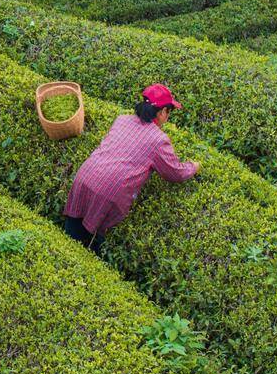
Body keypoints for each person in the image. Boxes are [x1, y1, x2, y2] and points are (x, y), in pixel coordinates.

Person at [63, 83, 199, 254]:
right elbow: (176, 173)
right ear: (163, 112)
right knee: (93, 248)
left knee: (68, 240)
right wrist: (194, 166)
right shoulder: (159, 140)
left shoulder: (122, 120)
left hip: (85, 176)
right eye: (169, 111)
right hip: (109, 191)